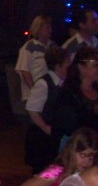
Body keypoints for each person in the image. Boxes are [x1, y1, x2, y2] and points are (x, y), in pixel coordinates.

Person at [53, 46, 98, 145]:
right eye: (96, 65)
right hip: (77, 147)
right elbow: (67, 128)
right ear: (81, 67)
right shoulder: (68, 94)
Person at [24, 46, 71, 174]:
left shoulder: (63, 83)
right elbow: (32, 110)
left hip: (55, 134)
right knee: (42, 171)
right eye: (67, 64)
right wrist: (46, 128)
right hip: (42, 136)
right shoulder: (43, 84)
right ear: (58, 66)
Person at [62, 8, 98, 87]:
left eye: (97, 20)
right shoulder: (70, 47)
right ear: (82, 25)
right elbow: (63, 75)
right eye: (93, 21)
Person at [15, 15, 54, 103]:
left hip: (49, 93)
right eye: (47, 27)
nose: (50, 30)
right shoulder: (29, 47)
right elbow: (24, 71)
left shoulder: (52, 46)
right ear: (39, 29)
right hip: (33, 95)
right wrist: (35, 90)